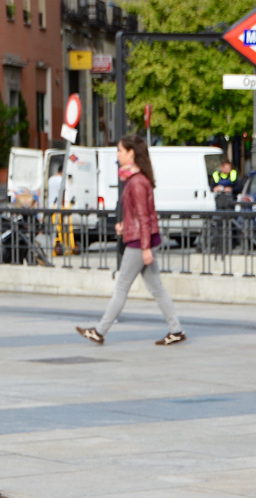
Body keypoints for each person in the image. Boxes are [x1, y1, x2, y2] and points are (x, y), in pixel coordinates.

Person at [75, 134, 186, 347]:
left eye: (120, 151)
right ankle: (176, 330)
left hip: (139, 242)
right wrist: (125, 225)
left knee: (121, 287)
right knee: (157, 289)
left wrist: (145, 248)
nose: (117, 155)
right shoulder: (138, 179)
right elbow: (140, 215)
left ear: (131, 153)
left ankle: (99, 331)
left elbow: (144, 217)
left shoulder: (136, 182)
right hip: (143, 238)